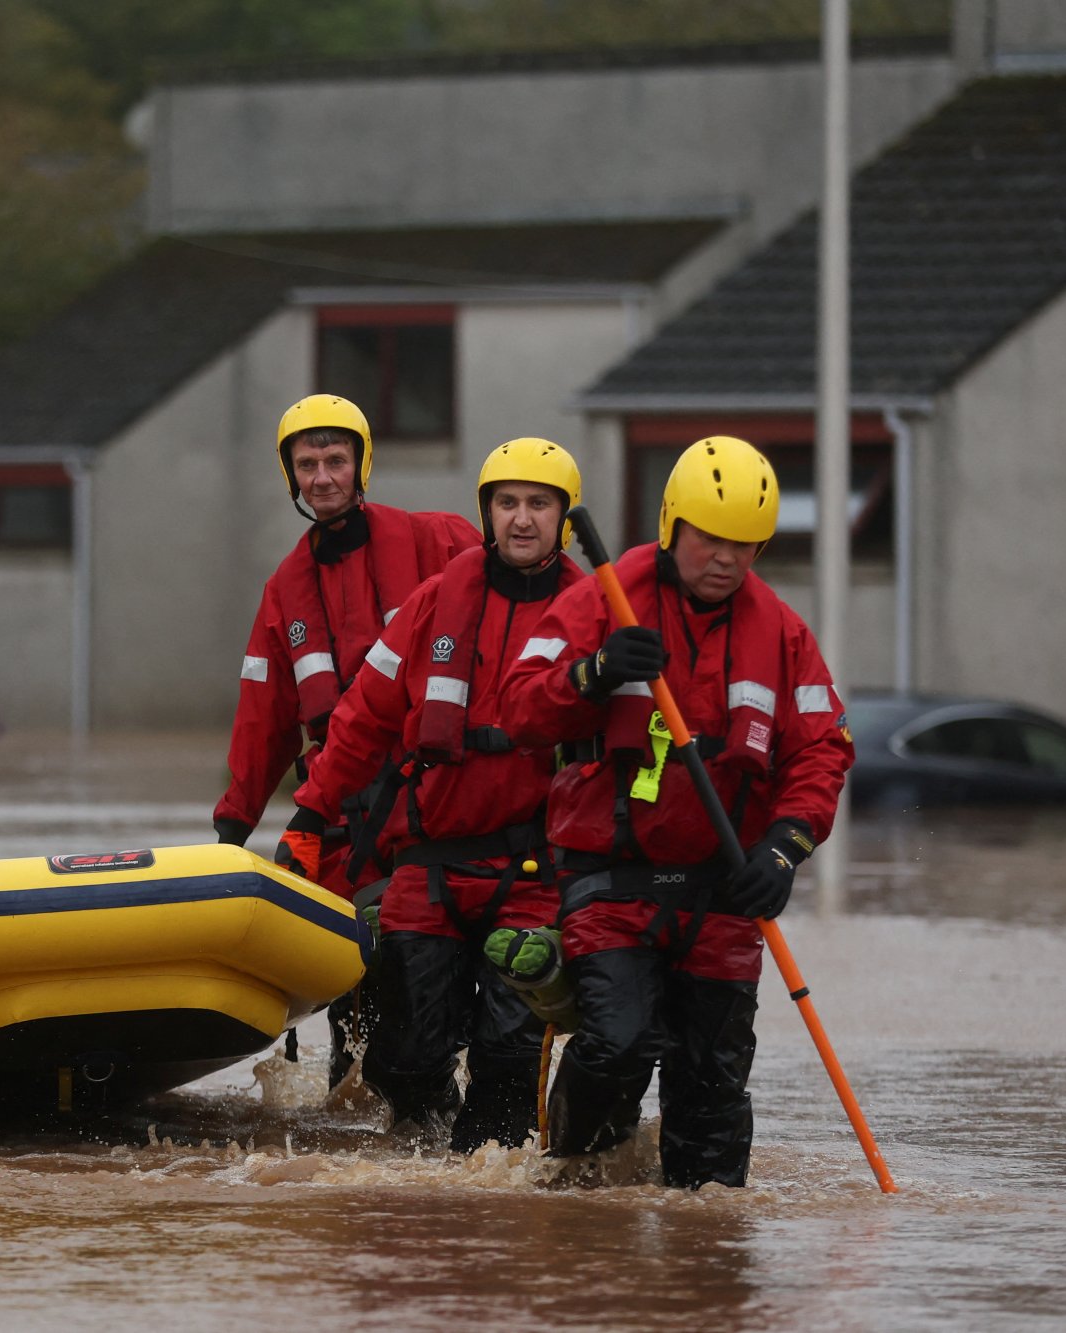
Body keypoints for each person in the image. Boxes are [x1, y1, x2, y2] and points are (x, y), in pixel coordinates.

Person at [501, 436, 852, 1188]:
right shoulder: (608, 594)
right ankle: (568, 1181)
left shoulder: (783, 632)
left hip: (724, 890)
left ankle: (708, 1259)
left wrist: (785, 848)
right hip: (612, 879)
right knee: (620, 1044)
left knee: (712, 1087)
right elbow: (521, 707)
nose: (726, 558)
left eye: (746, 544)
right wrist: (593, 673)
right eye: (710, 538)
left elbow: (823, 751)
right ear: (672, 526)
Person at [277, 439, 587, 1148]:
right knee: (402, 1052)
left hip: (533, 871)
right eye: (506, 503)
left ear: (564, 518)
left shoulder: (593, 614)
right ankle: (428, 1179)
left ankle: (487, 1185)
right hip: (430, 860)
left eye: (538, 504)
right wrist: (309, 811)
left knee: (509, 1056)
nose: (520, 519)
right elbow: (361, 717)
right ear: (485, 512)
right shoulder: (438, 598)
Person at [214, 393, 479, 886]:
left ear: (361, 465)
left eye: (336, 461)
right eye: (307, 465)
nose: (322, 478)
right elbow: (261, 721)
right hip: (337, 813)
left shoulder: (439, 540)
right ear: (291, 476)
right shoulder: (284, 589)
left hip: (434, 796)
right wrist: (231, 832)